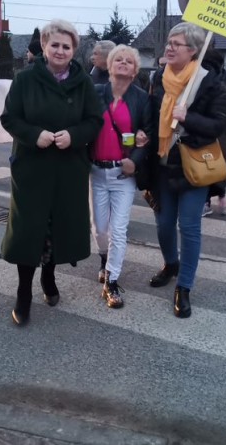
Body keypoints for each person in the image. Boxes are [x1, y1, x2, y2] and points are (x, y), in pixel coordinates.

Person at [0, 19, 103, 326]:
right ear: (44, 46)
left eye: (66, 46)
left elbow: (94, 121)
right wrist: (34, 134)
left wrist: (75, 135)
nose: (60, 50)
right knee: (29, 230)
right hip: (32, 166)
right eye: (54, 44)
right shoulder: (26, 79)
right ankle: (23, 293)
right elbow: (9, 118)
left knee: (58, 228)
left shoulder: (83, 82)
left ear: (74, 50)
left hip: (68, 168)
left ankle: (49, 277)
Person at [147, 22, 226, 318]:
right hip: (163, 163)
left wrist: (188, 118)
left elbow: (219, 125)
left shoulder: (211, 82)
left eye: (176, 44)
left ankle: (184, 286)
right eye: (168, 42)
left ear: (193, 51)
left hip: (193, 166)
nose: (169, 47)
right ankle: (171, 264)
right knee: (163, 224)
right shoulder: (159, 78)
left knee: (189, 227)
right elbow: (149, 116)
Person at [91, 45, 152, 307]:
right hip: (95, 170)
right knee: (99, 228)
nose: (123, 63)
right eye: (119, 59)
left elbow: (148, 133)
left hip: (123, 175)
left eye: (129, 61)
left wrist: (135, 161)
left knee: (118, 229)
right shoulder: (95, 93)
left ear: (135, 69)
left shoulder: (141, 99)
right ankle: (104, 259)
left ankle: (112, 281)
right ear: (110, 64)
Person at [202, 49, 226, 217]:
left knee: (222, 168)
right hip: (203, 130)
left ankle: (222, 194)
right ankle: (205, 201)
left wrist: (224, 130)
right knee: (203, 168)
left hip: (222, 134)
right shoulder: (202, 80)